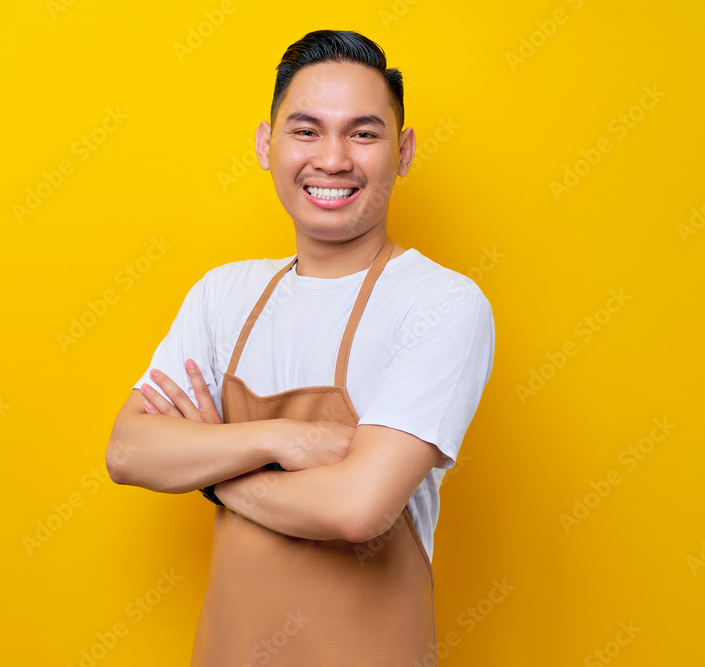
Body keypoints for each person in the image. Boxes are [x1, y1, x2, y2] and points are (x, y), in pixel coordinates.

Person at [106, 29, 494, 665]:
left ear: (404, 152)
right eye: (306, 130)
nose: (333, 159)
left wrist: (212, 471)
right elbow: (127, 450)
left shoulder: (440, 304)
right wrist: (277, 440)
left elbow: (357, 508)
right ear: (266, 144)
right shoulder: (223, 294)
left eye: (364, 134)